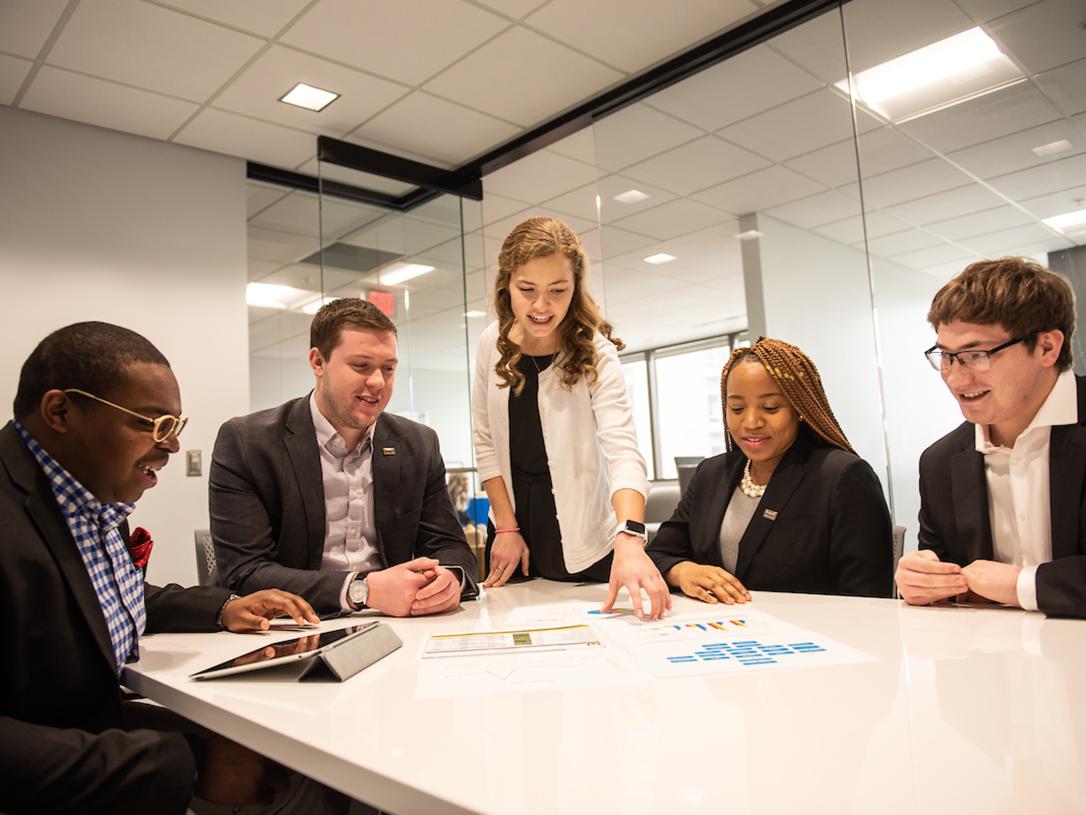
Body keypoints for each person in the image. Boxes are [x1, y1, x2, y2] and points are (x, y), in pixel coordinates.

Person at [0, 321, 321, 814]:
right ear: (61, 410)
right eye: (152, 424)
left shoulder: (77, 504)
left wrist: (224, 607)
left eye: (175, 427)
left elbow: (92, 593)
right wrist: (188, 765)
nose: (171, 446)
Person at [210, 298, 477, 618]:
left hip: (396, 621)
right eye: (361, 366)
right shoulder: (248, 443)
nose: (378, 382)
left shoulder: (418, 443)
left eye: (388, 369)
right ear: (318, 362)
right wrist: (362, 590)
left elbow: (451, 548)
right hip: (292, 626)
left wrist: (449, 578)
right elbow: (245, 572)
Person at [472, 216, 670, 619]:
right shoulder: (490, 343)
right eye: (527, 290)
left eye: (557, 290)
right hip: (513, 533)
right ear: (506, 285)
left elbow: (623, 454)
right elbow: (485, 442)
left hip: (583, 534)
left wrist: (630, 539)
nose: (541, 306)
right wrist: (506, 528)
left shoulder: (596, 353)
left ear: (575, 288)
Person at [898, 257, 1086, 617]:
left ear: (1048, 347)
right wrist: (923, 581)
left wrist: (1022, 585)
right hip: (991, 666)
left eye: (977, 354)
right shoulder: (940, 461)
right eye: (947, 356)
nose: (955, 378)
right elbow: (948, 582)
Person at [647, 337, 893, 602]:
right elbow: (659, 554)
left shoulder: (841, 476)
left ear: (799, 409)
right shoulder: (712, 473)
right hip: (720, 631)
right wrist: (683, 571)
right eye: (737, 408)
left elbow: (867, 597)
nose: (751, 422)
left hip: (812, 636)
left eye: (770, 407)